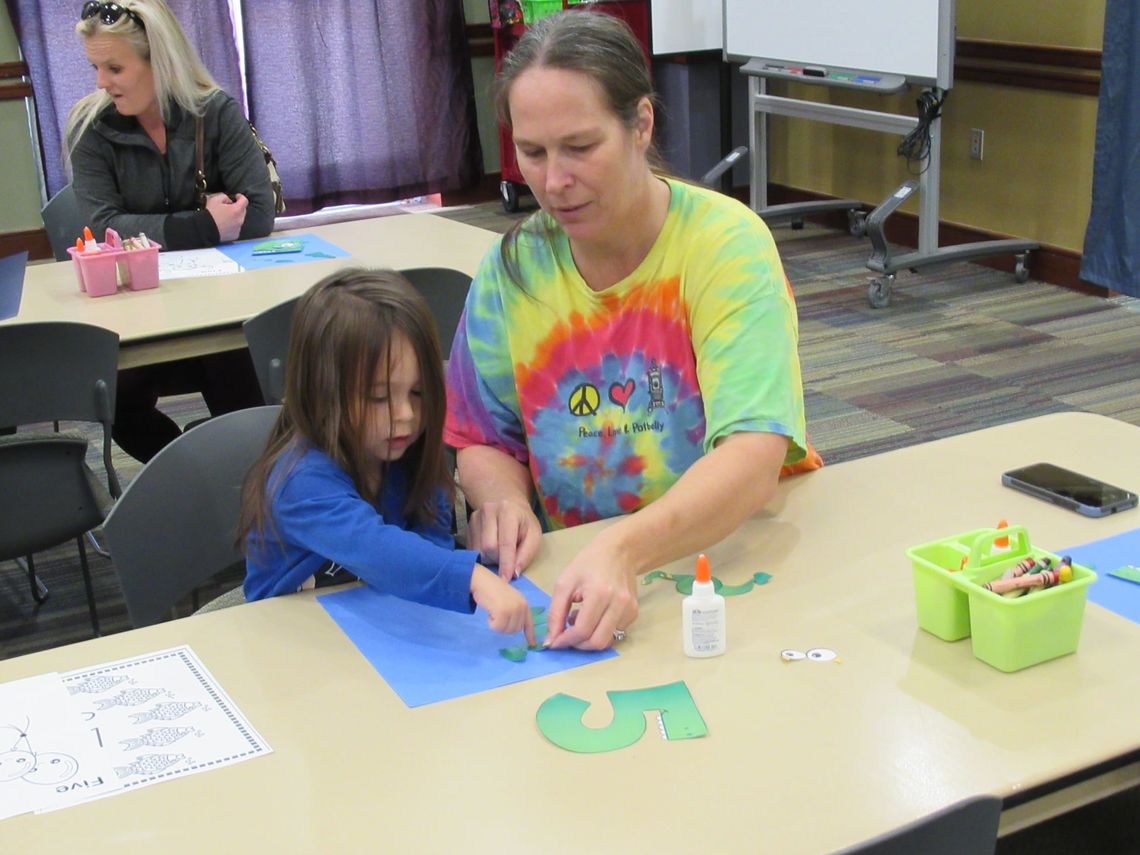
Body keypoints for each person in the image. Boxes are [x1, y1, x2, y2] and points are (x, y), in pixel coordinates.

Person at [444, 11, 821, 651]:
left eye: (581, 147)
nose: (554, 182)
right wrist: (501, 501)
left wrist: (623, 547)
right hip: (582, 582)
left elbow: (754, 456)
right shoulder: (514, 269)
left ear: (641, 123)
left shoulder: (724, 247)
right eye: (532, 153)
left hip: (726, 561)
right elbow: (482, 438)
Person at [239, 269, 535, 644]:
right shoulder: (301, 482)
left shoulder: (407, 455)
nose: (406, 416)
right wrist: (472, 579)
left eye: (417, 392)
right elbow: (375, 548)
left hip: (384, 637)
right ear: (321, 392)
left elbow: (433, 541)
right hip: (292, 649)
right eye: (379, 398)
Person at [64, 0, 272, 462]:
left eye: (114, 67)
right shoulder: (90, 129)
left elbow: (258, 215)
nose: (101, 82)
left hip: (218, 303)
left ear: (160, 61)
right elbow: (106, 226)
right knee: (114, 396)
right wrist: (203, 225)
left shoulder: (215, 111)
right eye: (96, 66)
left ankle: (241, 478)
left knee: (240, 374)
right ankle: (189, 470)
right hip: (133, 310)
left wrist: (155, 231)